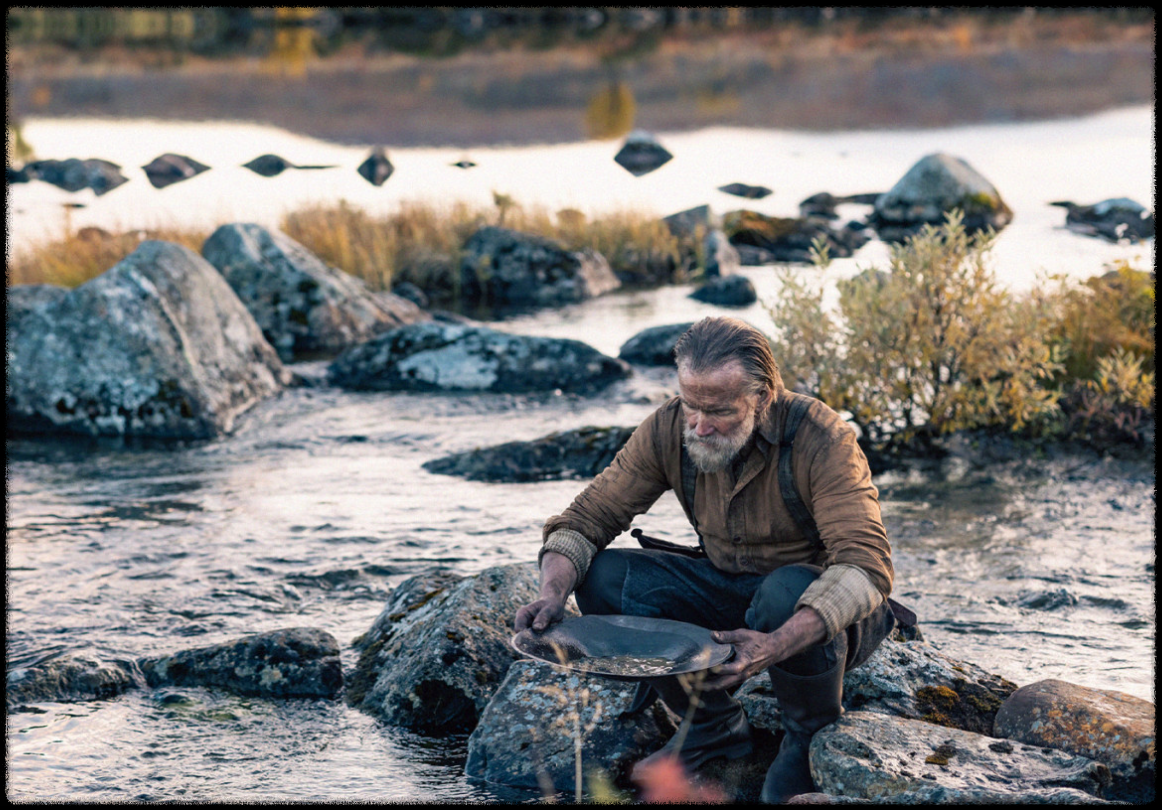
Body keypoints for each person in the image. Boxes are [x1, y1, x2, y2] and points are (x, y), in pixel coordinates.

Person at [514, 316, 897, 803]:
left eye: (717, 410)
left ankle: (808, 734)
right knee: (605, 577)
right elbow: (586, 519)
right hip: (726, 591)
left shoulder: (823, 438)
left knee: (784, 591)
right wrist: (552, 593)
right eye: (691, 403)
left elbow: (866, 566)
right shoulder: (670, 427)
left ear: (761, 397)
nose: (698, 423)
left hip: (816, 620)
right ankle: (711, 723)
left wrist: (774, 644)